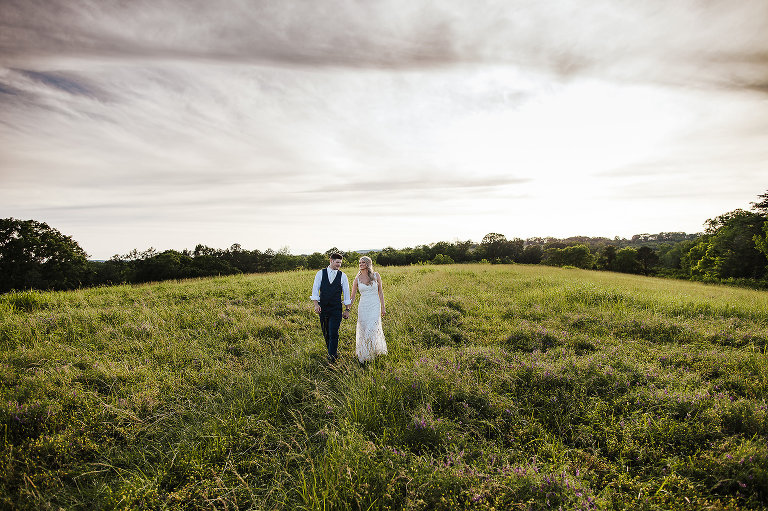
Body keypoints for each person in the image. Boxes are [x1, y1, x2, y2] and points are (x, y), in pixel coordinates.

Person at [311, 253, 351, 363]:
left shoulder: (343, 276)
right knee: (326, 332)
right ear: (331, 261)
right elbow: (315, 290)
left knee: (334, 332)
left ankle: (332, 358)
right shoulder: (320, 273)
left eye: (340, 263)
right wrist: (316, 305)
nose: (339, 265)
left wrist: (347, 310)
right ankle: (331, 352)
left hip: (336, 309)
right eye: (337, 262)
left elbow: (346, 294)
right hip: (323, 308)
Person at [349, 256, 387, 363]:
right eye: (360, 263)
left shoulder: (376, 275)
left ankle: (369, 353)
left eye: (363, 263)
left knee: (372, 327)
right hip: (363, 307)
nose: (360, 264)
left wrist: (383, 307)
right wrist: (347, 308)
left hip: (375, 305)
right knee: (365, 329)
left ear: (368, 264)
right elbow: (353, 297)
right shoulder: (356, 279)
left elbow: (380, 292)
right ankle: (365, 353)